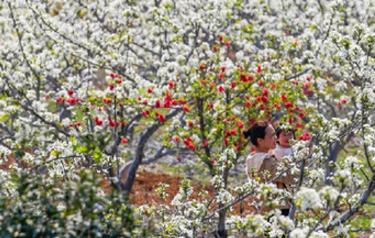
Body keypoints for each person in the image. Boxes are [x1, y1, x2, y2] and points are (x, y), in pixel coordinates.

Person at [244, 121, 294, 216]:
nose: (276, 138)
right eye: (272, 136)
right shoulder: (267, 161)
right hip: (278, 208)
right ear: (260, 140)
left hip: (262, 207)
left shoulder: (252, 158)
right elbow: (289, 177)